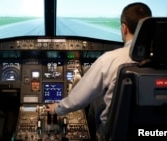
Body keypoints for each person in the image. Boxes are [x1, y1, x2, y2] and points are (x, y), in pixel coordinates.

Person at [46, 1, 152, 133]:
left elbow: (79, 98)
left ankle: (94, 134)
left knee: (96, 97)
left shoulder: (109, 60)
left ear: (124, 28)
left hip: (116, 134)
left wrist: (57, 108)